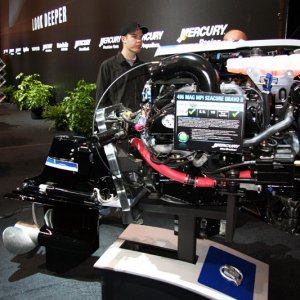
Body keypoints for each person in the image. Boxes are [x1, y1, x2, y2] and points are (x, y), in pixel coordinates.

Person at [96, 21, 149, 111]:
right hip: (117, 123)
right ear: (123, 39)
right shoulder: (108, 66)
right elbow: (101, 102)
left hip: (140, 123)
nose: (139, 40)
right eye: (134, 36)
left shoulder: (143, 67)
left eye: (140, 37)